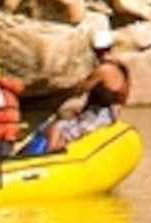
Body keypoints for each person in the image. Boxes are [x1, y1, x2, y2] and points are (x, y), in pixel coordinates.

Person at [32, 24, 133, 153]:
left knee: (56, 127)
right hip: (109, 113)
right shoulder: (122, 67)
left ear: (96, 50)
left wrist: (64, 93)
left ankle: (51, 154)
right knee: (67, 122)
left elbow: (81, 89)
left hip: (100, 116)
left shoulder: (103, 70)